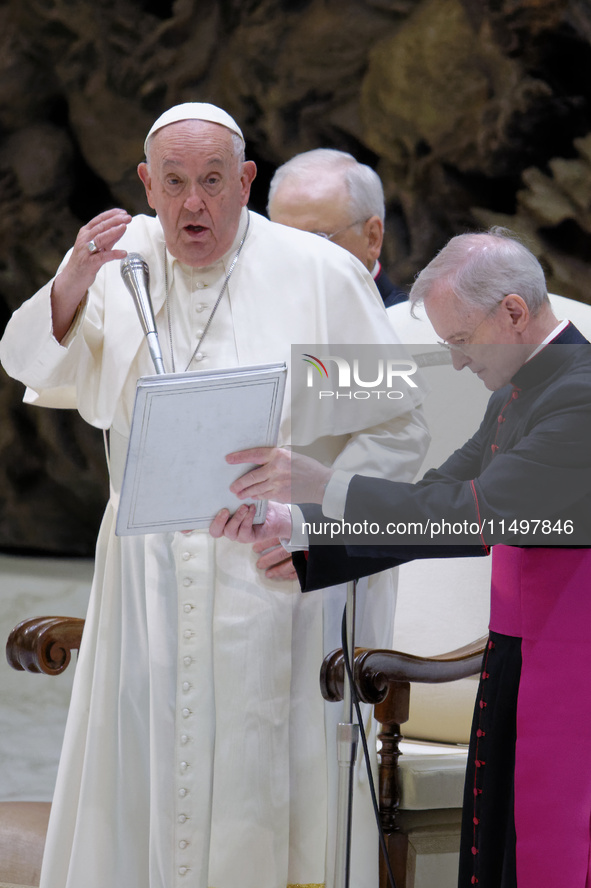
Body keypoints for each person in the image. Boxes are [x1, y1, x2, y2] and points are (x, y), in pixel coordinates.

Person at [0, 103, 429, 888]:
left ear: (244, 181)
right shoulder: (119, 263)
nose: (192, 205)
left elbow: (401, 427)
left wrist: (307, 512)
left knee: (259, 781)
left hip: (268, 573)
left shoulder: (318, 274)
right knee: (146, 766)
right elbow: (35, 363)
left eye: (210, 182)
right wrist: (69, 280)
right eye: (172, 184)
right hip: (146, 575)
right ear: (145, 184)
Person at [209, 229, 591, 888]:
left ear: (511, 312)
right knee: (499, 842)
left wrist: (323, 485)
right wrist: (300, 532)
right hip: (518, 654)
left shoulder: (579, 394)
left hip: (569, 661)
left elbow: (469, 515)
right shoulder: (520, 390)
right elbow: (429, 506)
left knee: (546, 848)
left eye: (460, 341)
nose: (457, 363)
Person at [268, 148, 407, 308]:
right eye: (282, 240)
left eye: (317, 239)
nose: (294, 260)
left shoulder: (402, 328)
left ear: (372, 238)